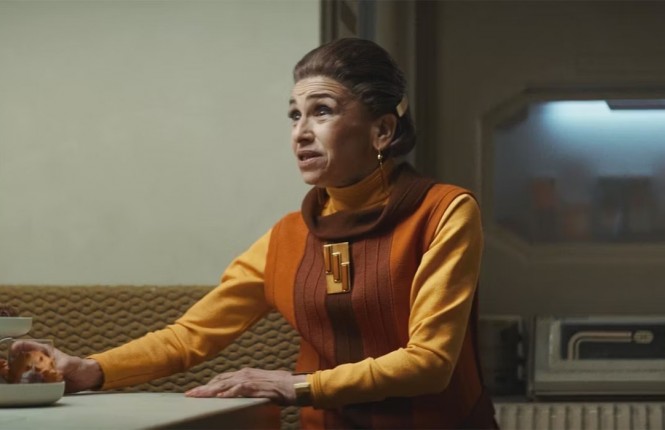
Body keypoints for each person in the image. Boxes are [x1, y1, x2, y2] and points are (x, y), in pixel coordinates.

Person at [15, 38, 497, 429]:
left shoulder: (445, 212)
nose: (301, 132)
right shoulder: (289, 237)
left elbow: (430, 363)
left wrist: (295, 384)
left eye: (322, 111)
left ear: (383, 131)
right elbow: (189, 337)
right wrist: (92, 370)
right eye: (294, 115)